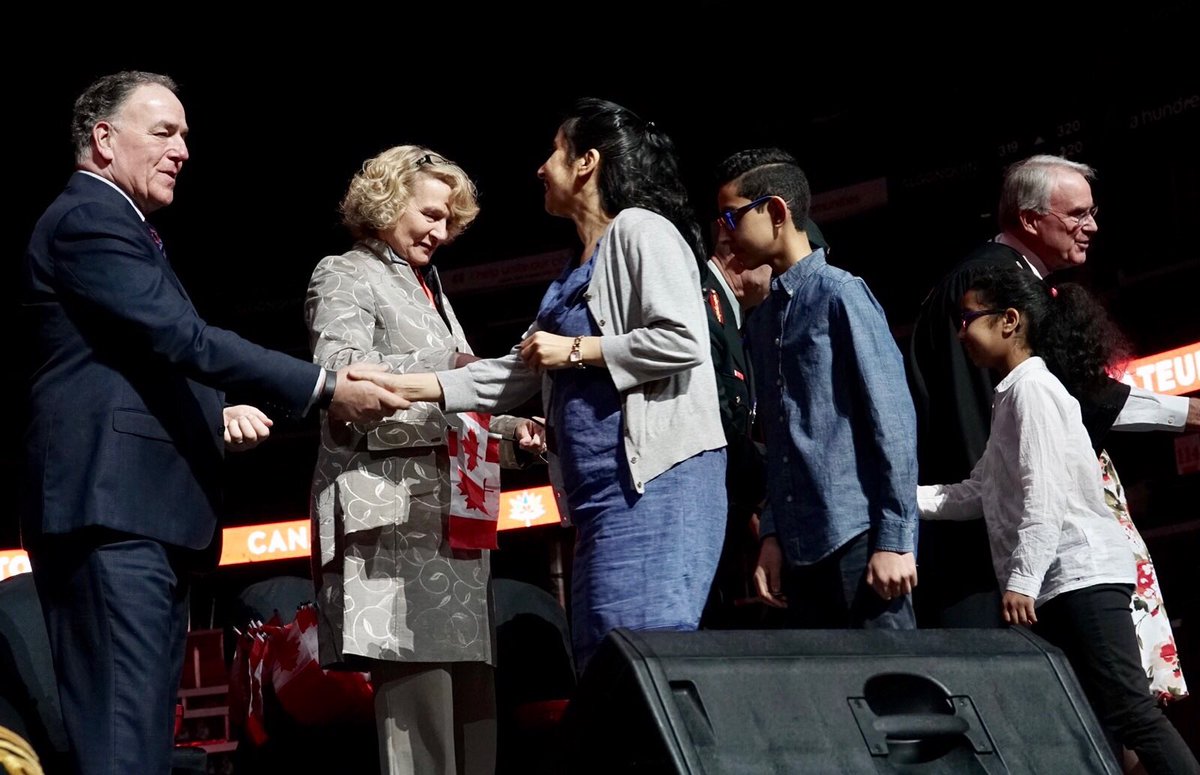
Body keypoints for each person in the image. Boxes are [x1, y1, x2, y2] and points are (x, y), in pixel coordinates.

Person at [19, 71, 405, 775]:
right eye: (164, 131)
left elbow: (133, 357)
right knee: (120, 747)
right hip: (113, 519)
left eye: (186, 135)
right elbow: (181, 337)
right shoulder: (87, 218)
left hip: (141, 520)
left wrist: (210, 412)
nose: (183, 149)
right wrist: (321, 385)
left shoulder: (125, 230)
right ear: (104, 139)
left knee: (135, 744)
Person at [359, 98, 727, 672]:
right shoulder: (575, 268)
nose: (541, 167)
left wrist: (576, 350)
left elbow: (682, 341)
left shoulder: (641, 229)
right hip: (598, 500)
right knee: (603, 664)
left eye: (555, 151)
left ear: (587, 163)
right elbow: (516, 371)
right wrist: (406, 387)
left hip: (657, 487)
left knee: (641, 668)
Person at [907, 155, 1192, 701]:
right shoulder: (986, 286)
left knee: (1118, 703)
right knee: (1098, 706)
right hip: (1000, 561)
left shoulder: (1023, 283)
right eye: (1078, 214)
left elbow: (1081, 399)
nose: (1092, 226)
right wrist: (1015, 565)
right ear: (1031, 218)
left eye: (1093, 211)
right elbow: (982, 432)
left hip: (1033, 552)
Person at [306, 145, 541, 775]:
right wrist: (457, 368)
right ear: (386, 202)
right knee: (420, 738)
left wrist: (518, 433)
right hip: (396, 536)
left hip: (455, 528)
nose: (441, 232)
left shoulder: (429, 285)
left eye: (449, 221)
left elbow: (460, 400)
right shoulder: (345, 272)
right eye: (430, 215)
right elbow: (341, 384)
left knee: (472, 727)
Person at [918, 263, 1199, 775]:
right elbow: (978, 491)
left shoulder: (1034, 391)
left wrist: (1022, 581)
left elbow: (1043, 496)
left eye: (967, 319)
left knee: (1132, 717)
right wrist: (895, 498)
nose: (961, 333)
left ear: (1009, 320)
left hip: (1081, 577)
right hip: (1064, 582)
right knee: (1096, 721)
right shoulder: (1013, 395)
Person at [714, 148, 919, 629]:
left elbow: (893, 421)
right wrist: (772, 534)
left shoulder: (842, 295)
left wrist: (894, 538)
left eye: (731, 215)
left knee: (896, 693)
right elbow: (780, 442)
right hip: (799, 552)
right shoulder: (762, 321)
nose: (724, 231)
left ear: (776, 212)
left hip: (860, 540)